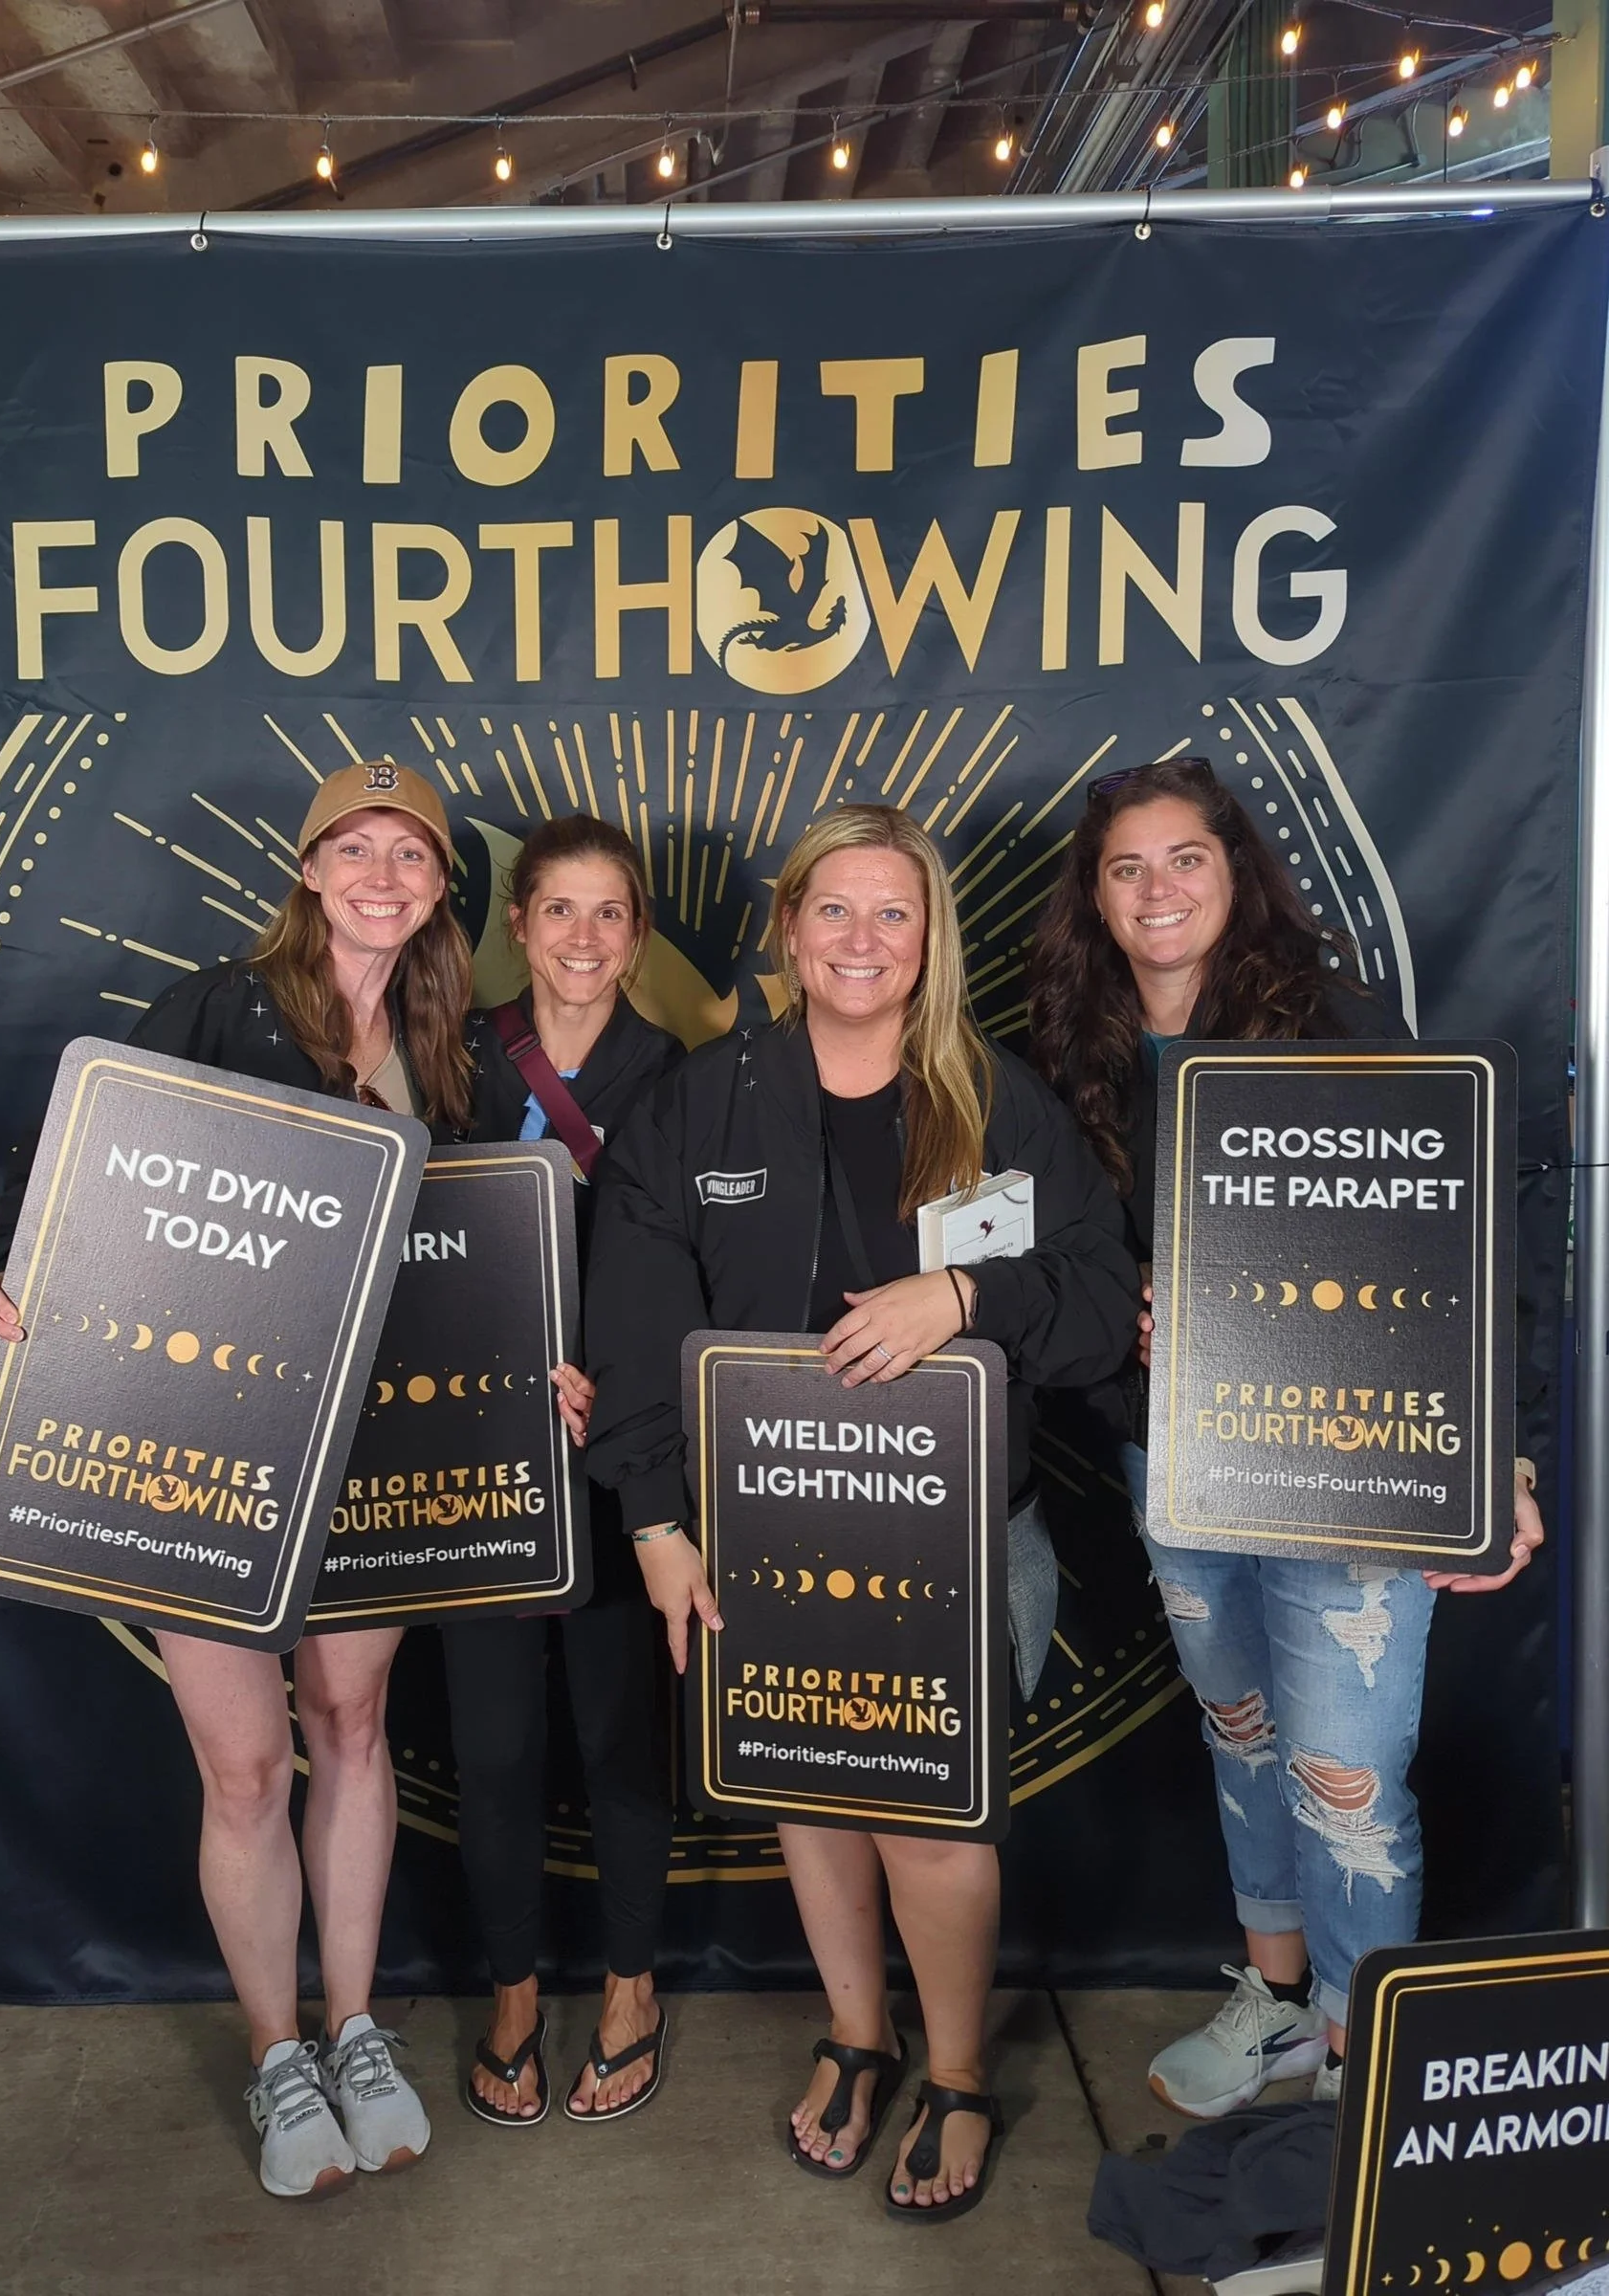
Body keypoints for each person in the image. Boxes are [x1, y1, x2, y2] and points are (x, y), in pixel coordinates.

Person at [584, 804, 1139, 2219]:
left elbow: (1095, 1312)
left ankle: (954, 2072)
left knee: (934, 1827)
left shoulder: (995, 1100)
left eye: (895, 913)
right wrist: (654, 1525)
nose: (863, 939)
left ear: (932, 938)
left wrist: (962, 1295)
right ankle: (857, 2032)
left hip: (964, 1540)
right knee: (810, 1796)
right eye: (836, 909)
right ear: (787, 927)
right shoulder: (695, 1104)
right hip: (756, 1539)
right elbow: (635, 1327)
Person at [0, 761, 473, 2200]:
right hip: (210, 1451)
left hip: (379, 1448)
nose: (381, 875)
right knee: (246, 1767)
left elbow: (479, 1256)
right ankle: (274, 2053)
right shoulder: (213, 1005)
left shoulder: (450, 1045)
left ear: (440, 886)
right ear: (308, 872)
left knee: (352, 1722)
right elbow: (91, 1168)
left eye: (410, 855)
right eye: (353, 850)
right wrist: (4, 1277)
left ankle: (357, 2026)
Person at [1023, 754, 1546, 2120]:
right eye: (1125, 867)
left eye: (1184, 859)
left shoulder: (1335, 1025)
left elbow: (1459, 1255)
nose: (1156, 890)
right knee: (1243, 1729)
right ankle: (1274, 2001)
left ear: (1235, 872)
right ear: (1092, 892)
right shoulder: (1068, 1047)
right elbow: (1043, 1255)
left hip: (1350, 1464)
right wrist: (1110, 1301)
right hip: (1176, 1457)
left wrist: (1503, 1459)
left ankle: (1362, 2062)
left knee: (1348, 1775)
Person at [442, 814, 684, 2129]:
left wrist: (617, 1377)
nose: (584, 938)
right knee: (491, 1745)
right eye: (559, 912)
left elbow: (699, 1269)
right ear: (519, 926)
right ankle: (517, 1993)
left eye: (610, 915)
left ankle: (633, 1986)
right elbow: (398, 1237)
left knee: (618, 1738)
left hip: (618, 1461)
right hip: (476, 1462)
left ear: (636, 936)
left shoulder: (685, 1075)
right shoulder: (452, 1059)